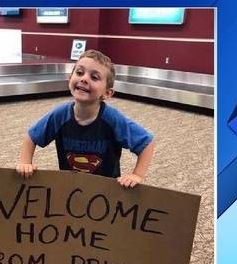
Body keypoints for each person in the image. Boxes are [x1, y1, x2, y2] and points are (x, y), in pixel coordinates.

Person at [16, 49, 155, 188]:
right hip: (71, 187)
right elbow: (31, 136)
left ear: (107, 93)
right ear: (69, 79)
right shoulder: (60, 115)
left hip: (106, 191)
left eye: (94, 77)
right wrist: (25, 162)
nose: (84, 79)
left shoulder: (113, 119)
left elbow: (146, 143)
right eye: (79, 72)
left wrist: (137, 175)